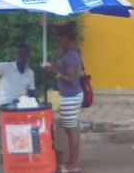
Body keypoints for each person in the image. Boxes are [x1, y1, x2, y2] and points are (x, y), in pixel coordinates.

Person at [44, 22, 83, 173]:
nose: (59, 40)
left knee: (71, 130)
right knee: (72, 129)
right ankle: (73, 161)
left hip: (70, 96)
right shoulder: (68, 53)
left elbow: (72, 79)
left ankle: (73, 164)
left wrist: (55, 72)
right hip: (69, 95)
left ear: (66, 37)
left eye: (60, 37)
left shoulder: (72, 55)